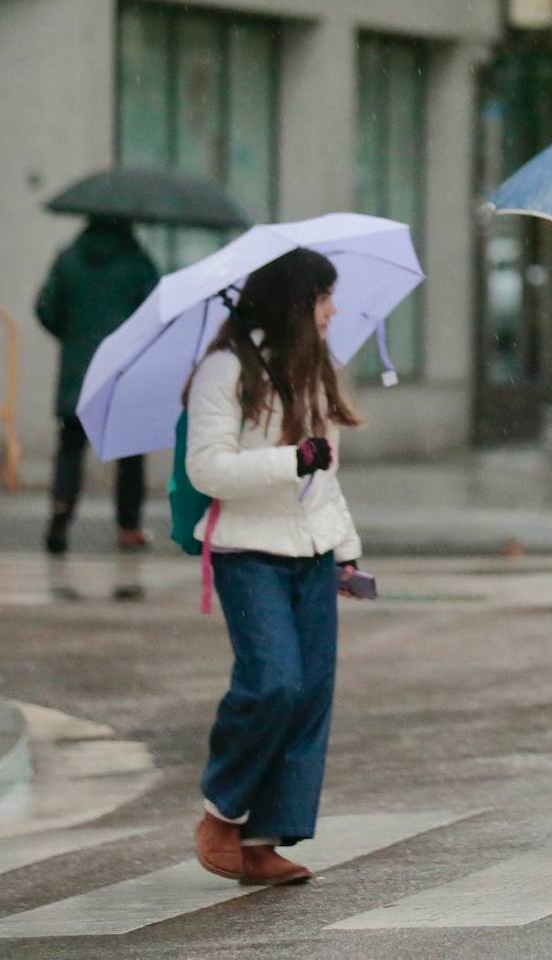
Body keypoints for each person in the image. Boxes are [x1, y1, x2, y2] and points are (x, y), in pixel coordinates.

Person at [186, 248, 367, 886]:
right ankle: (222, 811)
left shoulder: (314, 371)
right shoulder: (224, 370)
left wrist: (346, 551)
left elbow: (327, 477)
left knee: (308, 696)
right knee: (273, 684)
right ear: (298, 302)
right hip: (249, 552)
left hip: (312, 554)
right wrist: (291, 460)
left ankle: (264, 839)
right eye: (324, 298)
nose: (333, 310)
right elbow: (206, 468)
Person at [35, 217, 159, 554]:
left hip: (78, 373)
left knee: (71, 448)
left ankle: (61, 513)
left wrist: (74, 336)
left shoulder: (68, 259)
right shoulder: (138, 263)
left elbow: (45, 309)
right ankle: (129, 528)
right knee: (130, 453)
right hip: (122, 373)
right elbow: (155, 312)